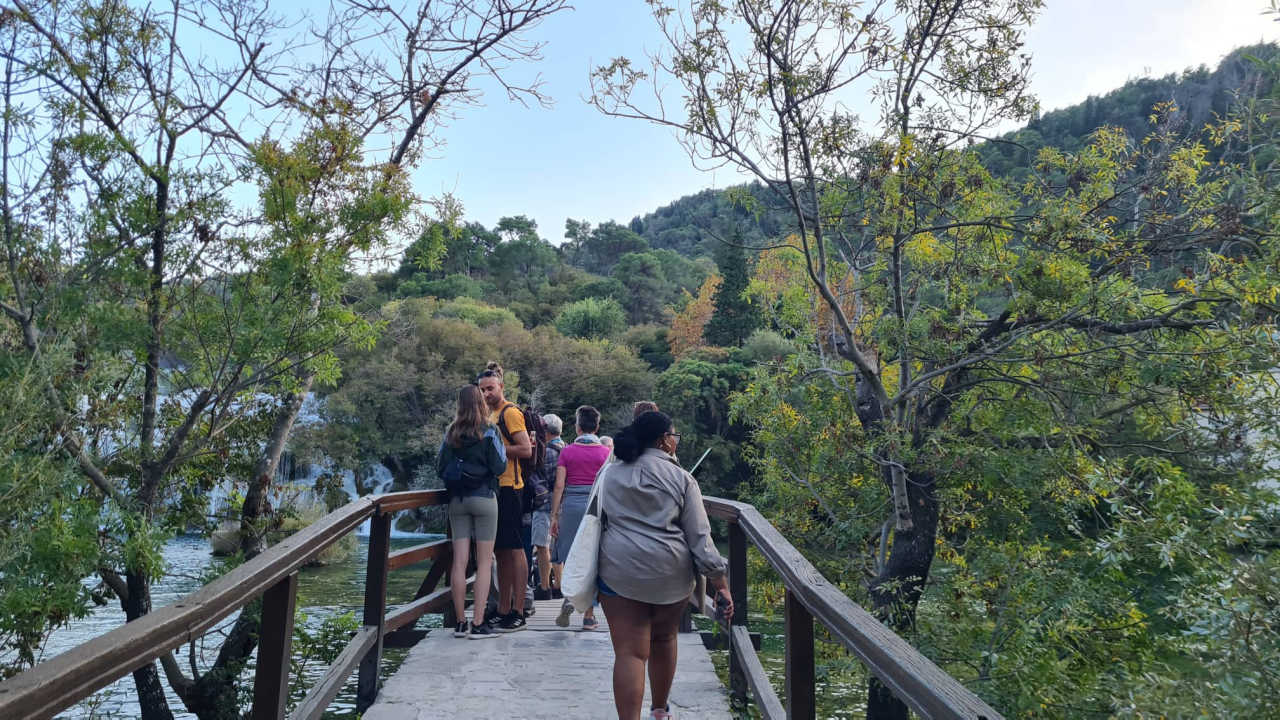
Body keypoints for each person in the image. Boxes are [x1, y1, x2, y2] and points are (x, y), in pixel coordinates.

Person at [597, 411, 733, 720]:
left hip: (620, 571)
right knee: (664, 637)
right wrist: (720, 583)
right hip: (671, 573)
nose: (675, 441)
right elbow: (700, 536)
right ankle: (659, 711)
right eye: (674, 435)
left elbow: (596, 522)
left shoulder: (610, 474)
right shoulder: (682, 478)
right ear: (663, 440)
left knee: (630, 652)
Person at [434, 385, 504, 640]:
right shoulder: (490, 430)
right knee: (484, 562)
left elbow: (440, 467)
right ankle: (478, 624)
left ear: (459, 404)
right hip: (484, 498)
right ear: (480, 402)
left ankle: (461, 622)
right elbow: (500, 466)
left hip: (458, 500)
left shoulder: (451, 432)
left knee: (459, 562)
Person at [476, 362, 531, 633]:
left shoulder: (510, 413)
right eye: (482, 390)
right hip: (495, 488)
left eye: (490, 388)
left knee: (514, 550)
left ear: (501, 386)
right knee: (500, 551)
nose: (486, 393)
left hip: (511, 487)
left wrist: (493, 450)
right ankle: (504, 608)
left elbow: (525, 450)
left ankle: (519, 610)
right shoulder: (491, 414)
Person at [549, 405, 611, 630]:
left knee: (571, 556)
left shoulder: (566, 452)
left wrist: (554, 516)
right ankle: (589, 617)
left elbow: (559, 485)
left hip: (572, 507)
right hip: (596, 508)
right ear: (597, 427)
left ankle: (569, 597)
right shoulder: (606, 453)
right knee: (592, 558)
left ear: (577, 427)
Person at [533, 413, 566, 600]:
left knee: (542, 544)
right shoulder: (565, 448)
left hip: (545, 503)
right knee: (556, 545)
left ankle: (545, 587)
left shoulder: (548, 451)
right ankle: (559, 585)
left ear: (546, 430)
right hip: (563, 503)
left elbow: (545, 478)